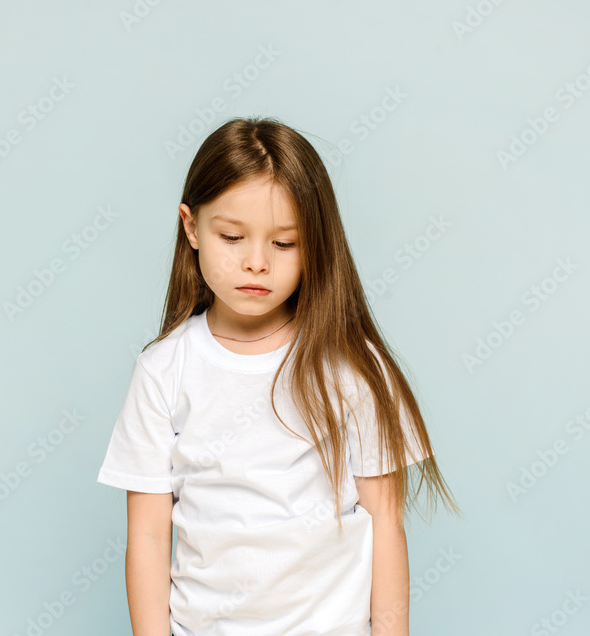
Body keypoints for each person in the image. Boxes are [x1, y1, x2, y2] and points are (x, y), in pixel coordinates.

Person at [96, 116, 462, 636]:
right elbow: (149, 538)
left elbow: (385, 523)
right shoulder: (163, 371)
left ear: (315, 243)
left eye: (284, 243)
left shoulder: (352, 366)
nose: (256, 263)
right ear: (191, 227)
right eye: (232, 237)